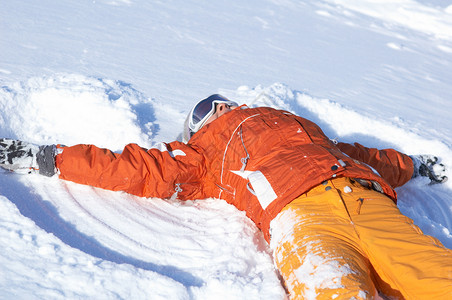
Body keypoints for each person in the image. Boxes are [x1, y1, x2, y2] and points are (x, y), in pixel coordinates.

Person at [0, 94, 451, 299]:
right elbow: (133, 167)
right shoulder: (204, 155)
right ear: (196, 127)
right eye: (204, 109)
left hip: (362, 198)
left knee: (437, 276)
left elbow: (362, 155)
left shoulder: (297, 125)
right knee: (332, 292)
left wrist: (415, 166)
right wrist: (45, 157)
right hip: (301, 218)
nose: (218, 108)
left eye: (218, 101)